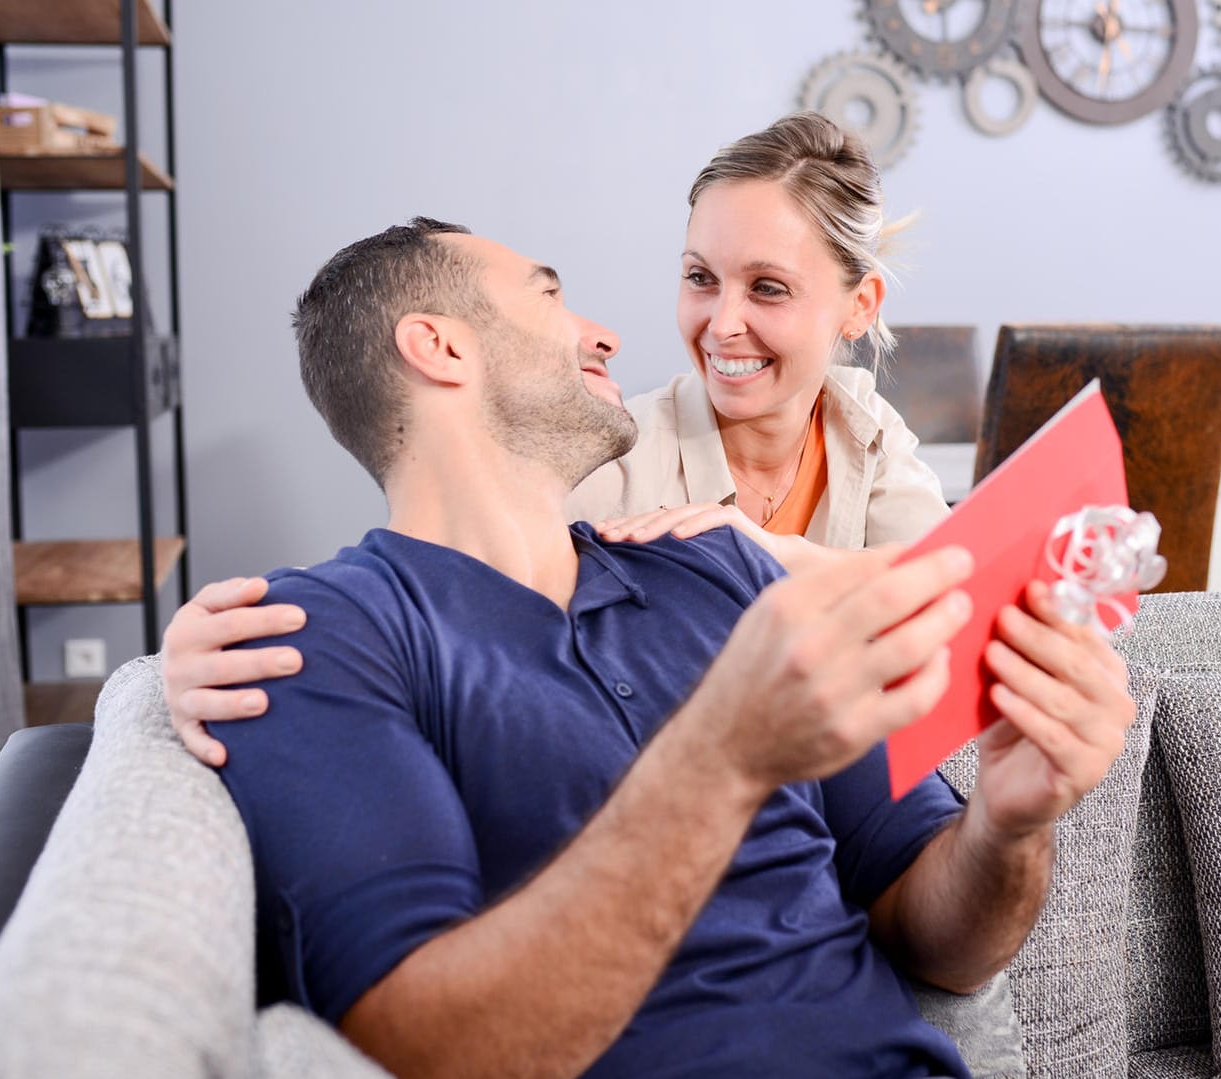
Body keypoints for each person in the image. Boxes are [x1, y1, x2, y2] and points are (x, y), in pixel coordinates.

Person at [206, 215, 1135, 1078]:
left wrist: (1013, 823)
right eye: (548, 296)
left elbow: (948, 943)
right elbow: (421, 1047)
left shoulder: (719, 572)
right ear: (440, 345)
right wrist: (724, 756)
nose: (604, 334)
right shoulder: (313, 638)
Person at [165, 113, 950, 760]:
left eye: (768, 288)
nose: (722, 323)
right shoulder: (609, 457)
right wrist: (201, 651)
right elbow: (435, 577)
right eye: (699, 278)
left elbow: (966, 595)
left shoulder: (864, 432)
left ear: (859, 306)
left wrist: (769, 554)